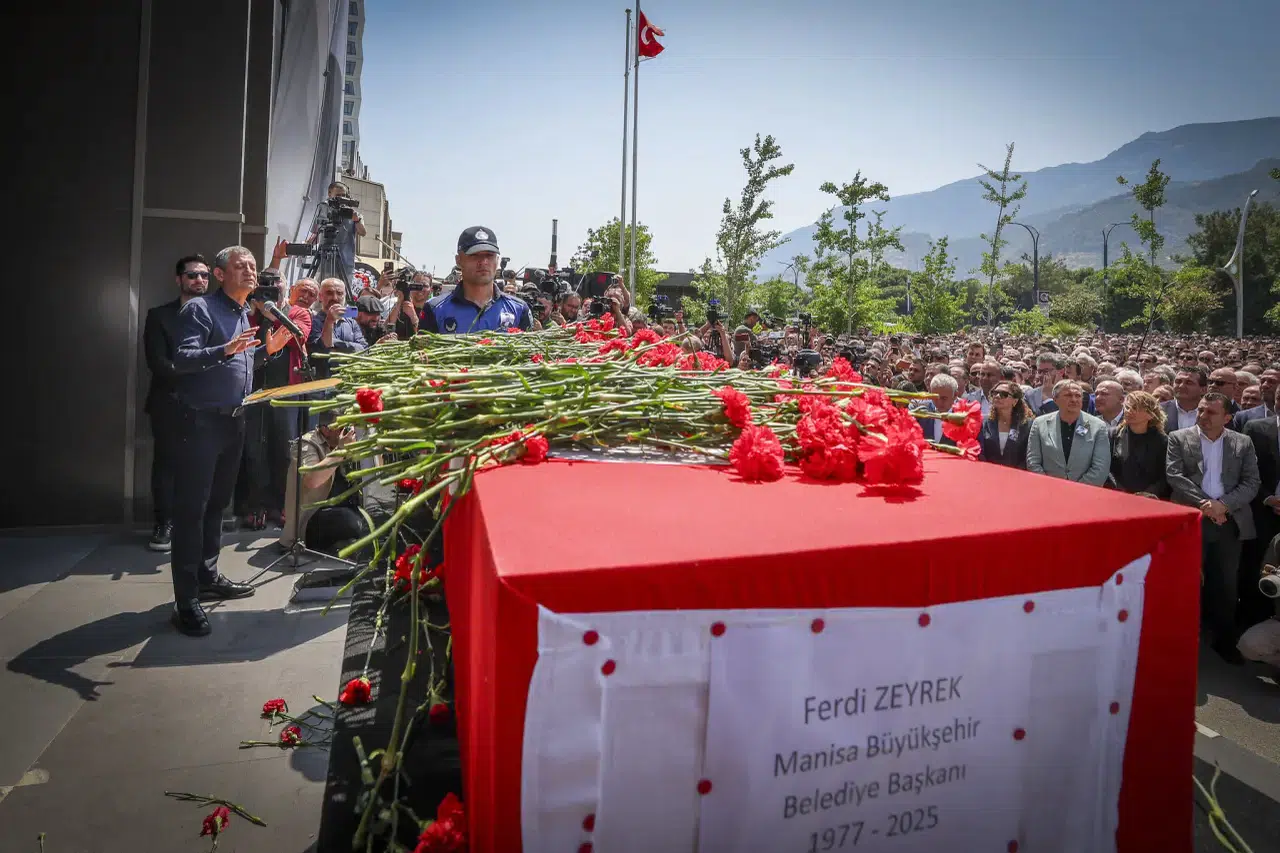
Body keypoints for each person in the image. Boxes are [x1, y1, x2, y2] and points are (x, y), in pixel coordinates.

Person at [170, 246, 291, 637]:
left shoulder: (244, 312)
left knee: (217, 505)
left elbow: (237, 363)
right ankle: (185, 600)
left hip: (233, 423)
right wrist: (226, 348)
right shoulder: (200, 310)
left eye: (254, 266)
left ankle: (207, 576)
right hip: (201, 423)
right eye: (241, 267)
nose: (251, 272)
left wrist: (265, 353)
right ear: (220, 274)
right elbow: (184, 358)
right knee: (192, 510)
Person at [1166, 392, 1260, 664]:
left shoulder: (1242, 443)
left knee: (1226, 584)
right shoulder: (1179, 438)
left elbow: (1251, 482)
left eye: (1211, 413)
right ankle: (1182, 638)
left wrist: (1223, 506)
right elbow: (1175, 476)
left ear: (1228, 418)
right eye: (1201, 411)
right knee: (1186, 581)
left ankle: (1223, 640)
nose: (1203, 417)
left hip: (1229, 523)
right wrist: (1206, 506)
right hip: (1191, 520)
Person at [143, 255, 210, 551]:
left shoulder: (216, 314)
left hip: (208, 405)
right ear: (179, 279)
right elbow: (158, 363)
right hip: (169, 403)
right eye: (193, 275)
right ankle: (164, 524)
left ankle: (197, 525)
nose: (199, 280)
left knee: (203, 465)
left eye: (205, 276)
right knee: (167, 464)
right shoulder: (159, 316)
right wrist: (199, 373)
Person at [278, 410, 368, 553]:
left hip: (340, 507)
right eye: (341, 428)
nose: (345, 433)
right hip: (310, 521)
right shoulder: (306, 444)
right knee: (352, 523)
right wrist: (340, 450)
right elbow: (312, 480)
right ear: (326, 430)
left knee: (372, 519)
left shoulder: (341, 441)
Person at [421, 227, 533, 333]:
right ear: (458, 260)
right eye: (475, 255)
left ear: (497, 260)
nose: (484, 262)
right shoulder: (435, 309)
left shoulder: (519, 309)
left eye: (489, 255)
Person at [1026, 380, 1110, 486]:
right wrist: (1048, 485)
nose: (1074, 399)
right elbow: (1033, 461)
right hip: (1048, 490)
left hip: (1084, 493)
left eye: (1078, 396)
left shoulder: (1098, 426)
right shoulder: (1039, 423)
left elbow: (1101, 467)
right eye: (1068, 395)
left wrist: (1076, 490)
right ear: (1055, 399)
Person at [1107, 391, 1169, 498]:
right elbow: (1106, 468)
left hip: (1149, 500)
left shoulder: (1162, 440)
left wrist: (1149, 493)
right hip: (1117, 495)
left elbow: (1165, 475)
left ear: (1150, 414)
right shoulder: (1113, 435)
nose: (1129, 411)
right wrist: (1119, 490)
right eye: (1127, 407)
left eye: (1136, 407)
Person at [309, 181, 366, 293]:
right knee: (321, 294)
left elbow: (363, 232)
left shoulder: (354, 214)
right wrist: (306, 245)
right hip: (325, 261)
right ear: (330, 194)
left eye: (344, 196)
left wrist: (356, 220)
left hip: (345, 264)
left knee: (341, 296)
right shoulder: (323, 209)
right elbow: (315, 233)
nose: (341, 199)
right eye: (338, 196)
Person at [979, 381, 1033, 468]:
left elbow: (1028, 456)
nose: (997, 396)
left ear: (1015, 401)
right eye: (995, 393)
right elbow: (980, 451)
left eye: (1004, 394)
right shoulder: (983, 422)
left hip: (1017, 475)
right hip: (989, 473)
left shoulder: (1027, 425)